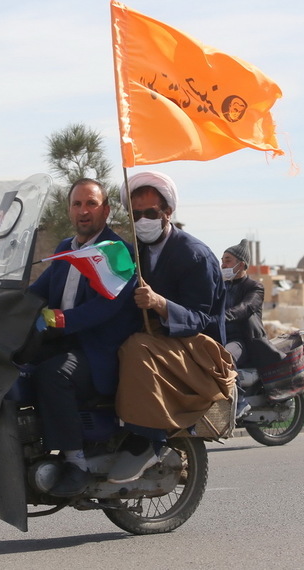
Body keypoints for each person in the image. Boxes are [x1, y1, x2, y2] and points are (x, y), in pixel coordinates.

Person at [110, 170, 228, 483]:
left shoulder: (194, 255)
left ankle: (148, 437)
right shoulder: (134, 251)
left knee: (136, 348)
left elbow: (203, 320)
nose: (142, 221)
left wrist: (160, 304)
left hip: (200, 350)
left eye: (150, 213)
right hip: (161, 341)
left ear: (168, 213)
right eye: (135, 215)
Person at [28, 178, 140, 497]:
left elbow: (106, 307)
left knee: (53, 375)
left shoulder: (117, 252)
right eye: (77, 204)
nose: (83, 211)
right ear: (69, 210)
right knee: (12, 362)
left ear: (105, 209)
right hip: (62, 340)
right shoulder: (66, 248)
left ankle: (77, 463)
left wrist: (60, 320)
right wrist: (4, 304)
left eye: (91, 203)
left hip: (98, 350)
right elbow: (40, 290)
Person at [221, 239, 267, 418]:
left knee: (225, 356)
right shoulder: (221, 286)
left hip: (242, 340)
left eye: (228, 260)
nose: (223, 264)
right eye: (222, 260)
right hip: (222, 336)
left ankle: (240, 401)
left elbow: (245, 308)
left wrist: (222, 317)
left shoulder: (255, 287)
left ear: (241, 264)